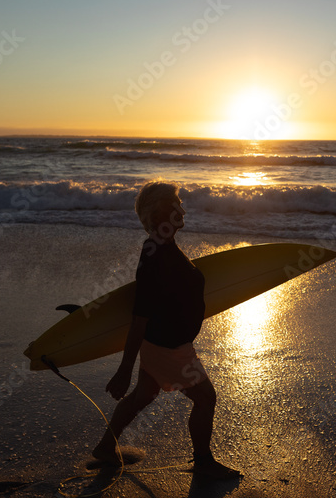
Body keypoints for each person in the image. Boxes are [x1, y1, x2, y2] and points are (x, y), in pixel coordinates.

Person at [92, 181, 240, 480]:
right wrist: (124, 368)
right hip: (168, 347)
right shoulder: (155, 253)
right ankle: (203, 462)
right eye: (176, 203)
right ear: (159, 211)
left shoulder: (163, 244)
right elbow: (140, 316)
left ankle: (105, 447)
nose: (181, 208)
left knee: (142, 396)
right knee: (205, 398)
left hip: (163, 343)